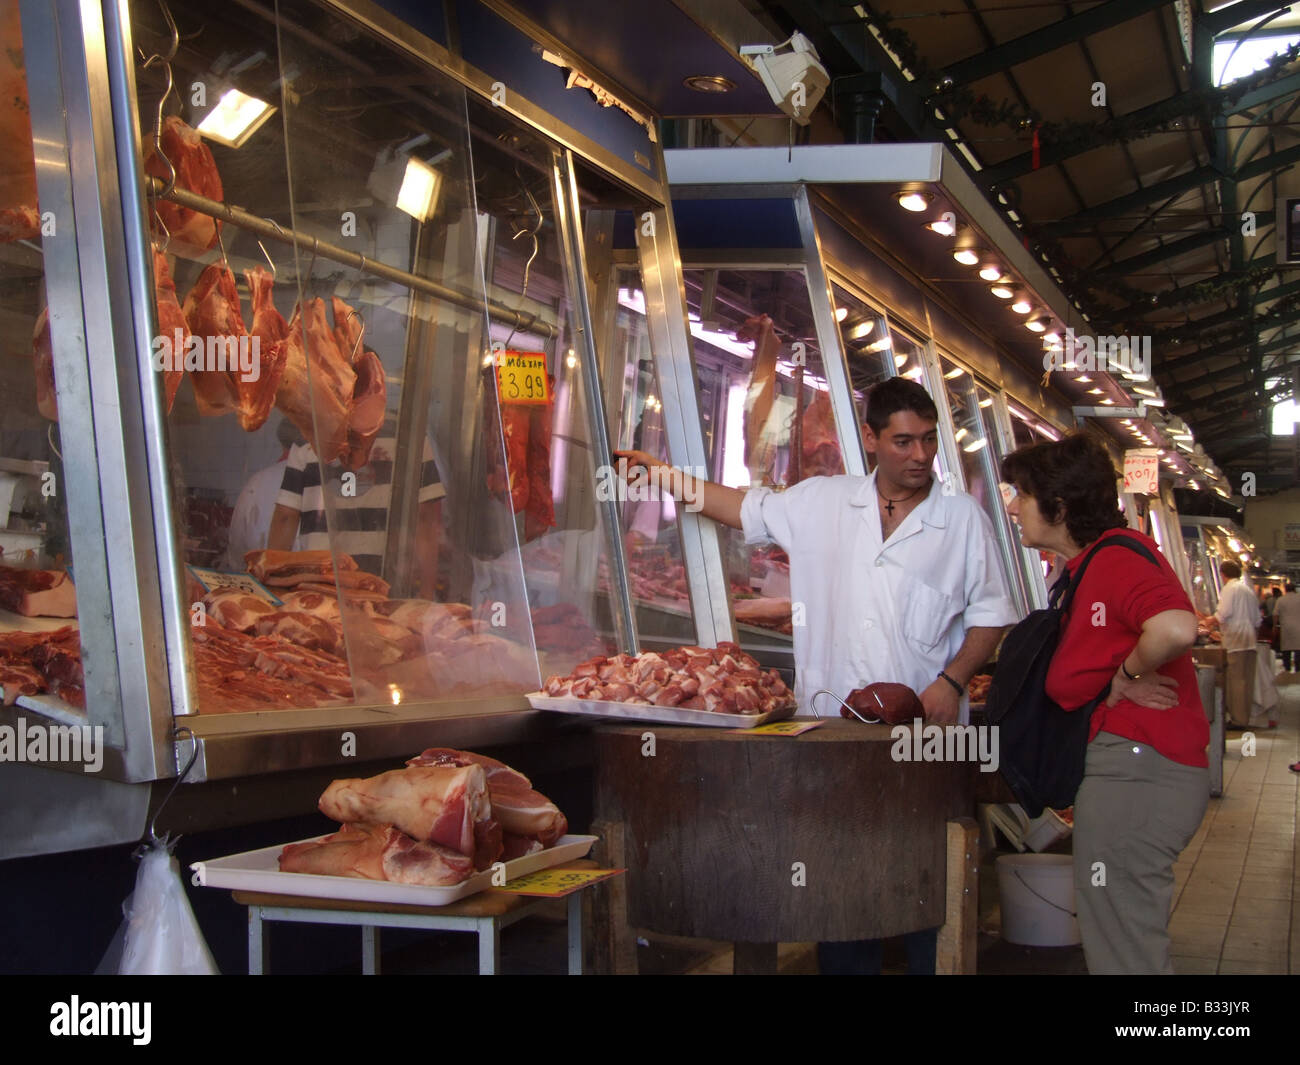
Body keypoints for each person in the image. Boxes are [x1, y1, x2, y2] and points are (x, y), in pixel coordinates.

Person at [616, 376, 1017, 974]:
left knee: (924, 892)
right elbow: (737, 507)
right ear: (871, 439)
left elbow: (990, 619)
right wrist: (662, 474)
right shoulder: (824, 502)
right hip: (832, 740)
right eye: (904, 441)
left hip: (926, 745)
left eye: (929, 441)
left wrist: (953, 681)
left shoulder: (960, 520)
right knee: (838, 888)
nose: (920, 455)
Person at [1001, 433, 1207, 976]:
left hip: (1138, 777)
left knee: (1126, 951)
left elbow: (1176, 627)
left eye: (1022, 493)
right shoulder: (1084, 567)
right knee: (1122, 937)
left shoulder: (1115, 559)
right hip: (1128, 774)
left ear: (1060, 507)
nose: (1012, 504)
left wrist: (1127, 674)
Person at [267, 411, 445, 597]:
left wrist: (272, 587)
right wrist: (426, 591)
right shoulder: (410, 434)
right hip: (385, 585)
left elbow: (285, 516)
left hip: (320, 583)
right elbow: (425, 518)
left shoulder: (308, 434)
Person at [222, 417, 300, 570]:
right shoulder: (338, 482)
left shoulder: (257, 482)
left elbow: (237, 549)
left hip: (263, 582)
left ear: (282, 442)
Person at [1215, 560, 1260, 728]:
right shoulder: (1248, 590)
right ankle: (1244, 717)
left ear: (1223, 575)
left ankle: (1238, 720)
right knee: (1246, 681)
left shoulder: (1229, 589)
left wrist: (1208, 621)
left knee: (1236, 682)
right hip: (1249, 641)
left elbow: (1223, 614)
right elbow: (1257, 620)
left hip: (1235, 641)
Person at [1276, 583, 1300, 672]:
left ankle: (1287, 670)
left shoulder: (1281, 600)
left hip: (1286, 628)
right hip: (1299, 627)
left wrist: (1274, 626)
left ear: (1285, 589)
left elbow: (1275, 614)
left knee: (1286, 650)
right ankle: (1298, 671)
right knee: (1298, 649)